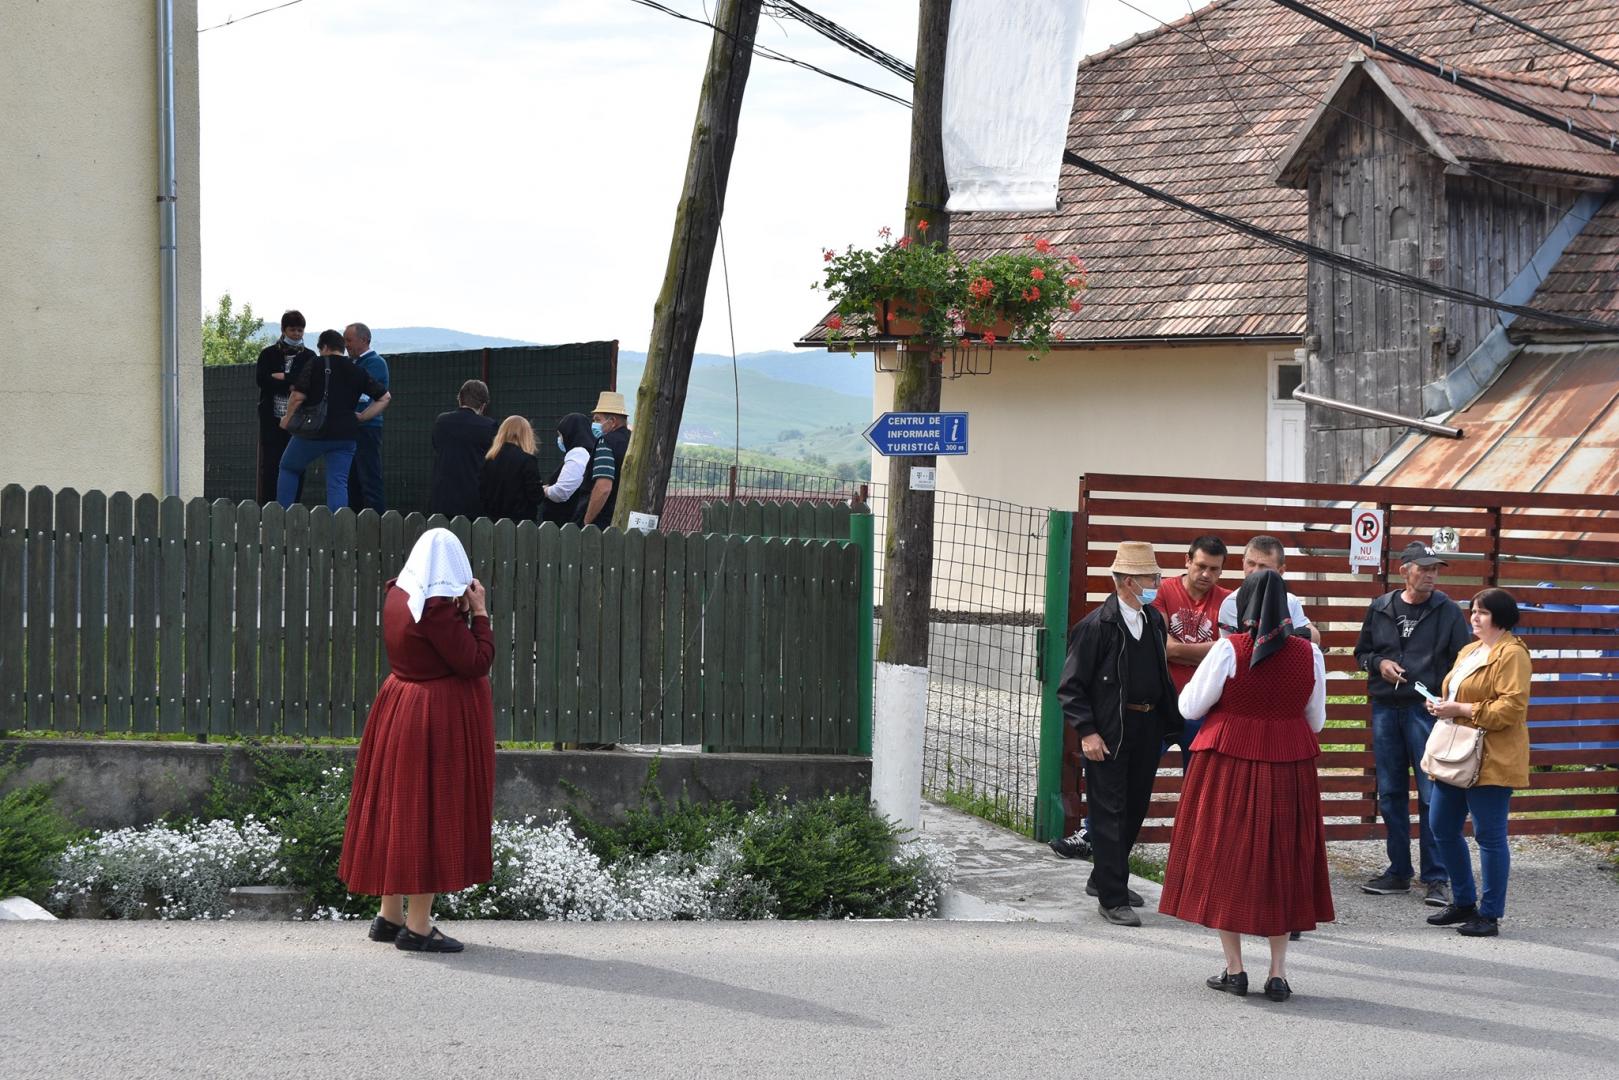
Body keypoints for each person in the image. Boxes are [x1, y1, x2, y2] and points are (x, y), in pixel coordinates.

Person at [1159, 570, 1333, 1002]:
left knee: (1227, 856)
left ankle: (1235, 969)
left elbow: (1189, 705)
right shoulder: (1309, 653)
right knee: (1283, 859)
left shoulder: (1227, 649)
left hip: (1228, 764)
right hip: (1289, 766)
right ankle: (1277, 974)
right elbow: (1317, 720)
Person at [339, 528, 494, 953]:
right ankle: (419, 927)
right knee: (429, 813)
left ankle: (389, 917)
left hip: (398, 706)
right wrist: (479, 614)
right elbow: (476, 661)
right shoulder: (436, 608)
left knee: (400, 808)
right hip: (433, 718)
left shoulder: (398, 594)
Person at [1050, 534, 1229, 861]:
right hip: (1147, 710)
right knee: (1117, 789)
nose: (1206, 574)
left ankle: (1195, 853)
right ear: (1188, 561)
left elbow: (1226, 651)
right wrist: (1214, 651)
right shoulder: (1154, 598)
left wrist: (1193, 652)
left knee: (1190, 786)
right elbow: (1168, 647)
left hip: (1198, 710)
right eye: (1201, 565)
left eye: (1214, 569)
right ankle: (1094, 842)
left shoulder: (1225, 601)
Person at [1056, 541, 1184, 927]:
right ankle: (1112, 897)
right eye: (1151, 577)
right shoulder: (1096, 627)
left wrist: (1171, 724)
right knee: (1108, 813)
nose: (1158, 583)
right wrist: (1088, 732)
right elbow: (1071, 687)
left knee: (1133, 808)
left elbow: (1160, 676)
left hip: (1146, 727)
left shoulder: (1153, 620)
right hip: (1110, 731)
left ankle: (1104, 877)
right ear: (1129, 581)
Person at [1354, 541, 1471, 905]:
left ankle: (1436, 876)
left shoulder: (1448, 611)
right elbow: (1362, 653)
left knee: (1431, 795)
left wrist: (1446, 702)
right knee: (1390, 794)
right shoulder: (1381, 607)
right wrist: (1379, 665)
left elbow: (1462, 663)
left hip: (1427, 710)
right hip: (1387, 709)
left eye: (1436, 568)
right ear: (1405, 571)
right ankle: (1399, 871)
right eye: (1424, 568)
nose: (1432, 575)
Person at [1424, 588, 1531, 938]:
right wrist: (1442, 704)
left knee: (1489, 836)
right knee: (1441, 826)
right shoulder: (1470, 650)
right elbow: (1459, 694)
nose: (1474, 617)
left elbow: (1512, 708)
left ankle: (1490, 914)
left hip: (1493, 756)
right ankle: (1464, 902)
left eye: (1482, 612)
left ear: (1500, 616)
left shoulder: (1512, 654)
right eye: (1472, 611)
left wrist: (1461, 710)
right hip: (1457, 753)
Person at [277, 329, 391, 509]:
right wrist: (361, 417)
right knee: (338, 483)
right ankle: (336, 528)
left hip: (313, 432)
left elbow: (298, 396)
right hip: (346, 435)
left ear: (324, 347)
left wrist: (287, 418)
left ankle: (281, 516)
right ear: (341, 347)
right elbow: (385, 398)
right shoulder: (358, 370)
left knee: (289, 467)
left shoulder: (315, 363)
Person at [254, 310, 315, 504]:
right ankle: (268, 505)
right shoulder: (268, 353)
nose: (297, 334)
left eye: (300, 330)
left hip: (298, 419)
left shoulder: (309, 356)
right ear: (283, 329)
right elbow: (262, 380)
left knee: (297, 463)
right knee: (270, 463)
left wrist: (284, 378)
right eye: (292, 330)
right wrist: (292, 383)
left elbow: (309, 383)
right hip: (272, 419)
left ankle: (293, 505)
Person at [1217, 535, 1320, 645]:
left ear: (1280, 571)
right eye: (1250, 563)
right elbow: (1253, 647)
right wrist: (1292, 635)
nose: (1255, 571)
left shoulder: (1290, 600)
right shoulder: (1233, 603)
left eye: (1263, 566)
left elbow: (1315, 638)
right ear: (1243, 563)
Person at [428, 380, 498, 519]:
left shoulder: (442, 422)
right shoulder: (489, 426)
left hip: (442, 499)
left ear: (460, 398)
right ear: (483, 405)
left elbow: (436, 446)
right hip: (473, 501)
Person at [344, 322, 389, 513]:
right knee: (352, 478)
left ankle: (377, 523)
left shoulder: (375, 363)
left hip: (368, 427)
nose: (346, 344)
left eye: (349, 340)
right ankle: (356, 521)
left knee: (369, 477)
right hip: (352, 428)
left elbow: (366, 395)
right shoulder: (353, 363)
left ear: (364, 340)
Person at [478, 415, 545, 523]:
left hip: (492, 522)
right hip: (521, 525)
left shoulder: (489, 459)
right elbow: (536, 496)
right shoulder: (527, 460)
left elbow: (482, 492)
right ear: (526, 435)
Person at [581, 391, 631, 527]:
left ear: (613, 421)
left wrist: (587, 521)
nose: (594, 424)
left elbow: (603, 488)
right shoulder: (634, 441)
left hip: (606, 521)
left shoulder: (606, 442)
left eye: (597, 419)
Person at [540, 412, 598, 524]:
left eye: (560, 435)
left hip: (565, 522)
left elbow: (562, 492)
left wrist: (545, 490)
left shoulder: (578, 453)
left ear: (570, 433)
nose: (560, 439)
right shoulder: (588, 451)